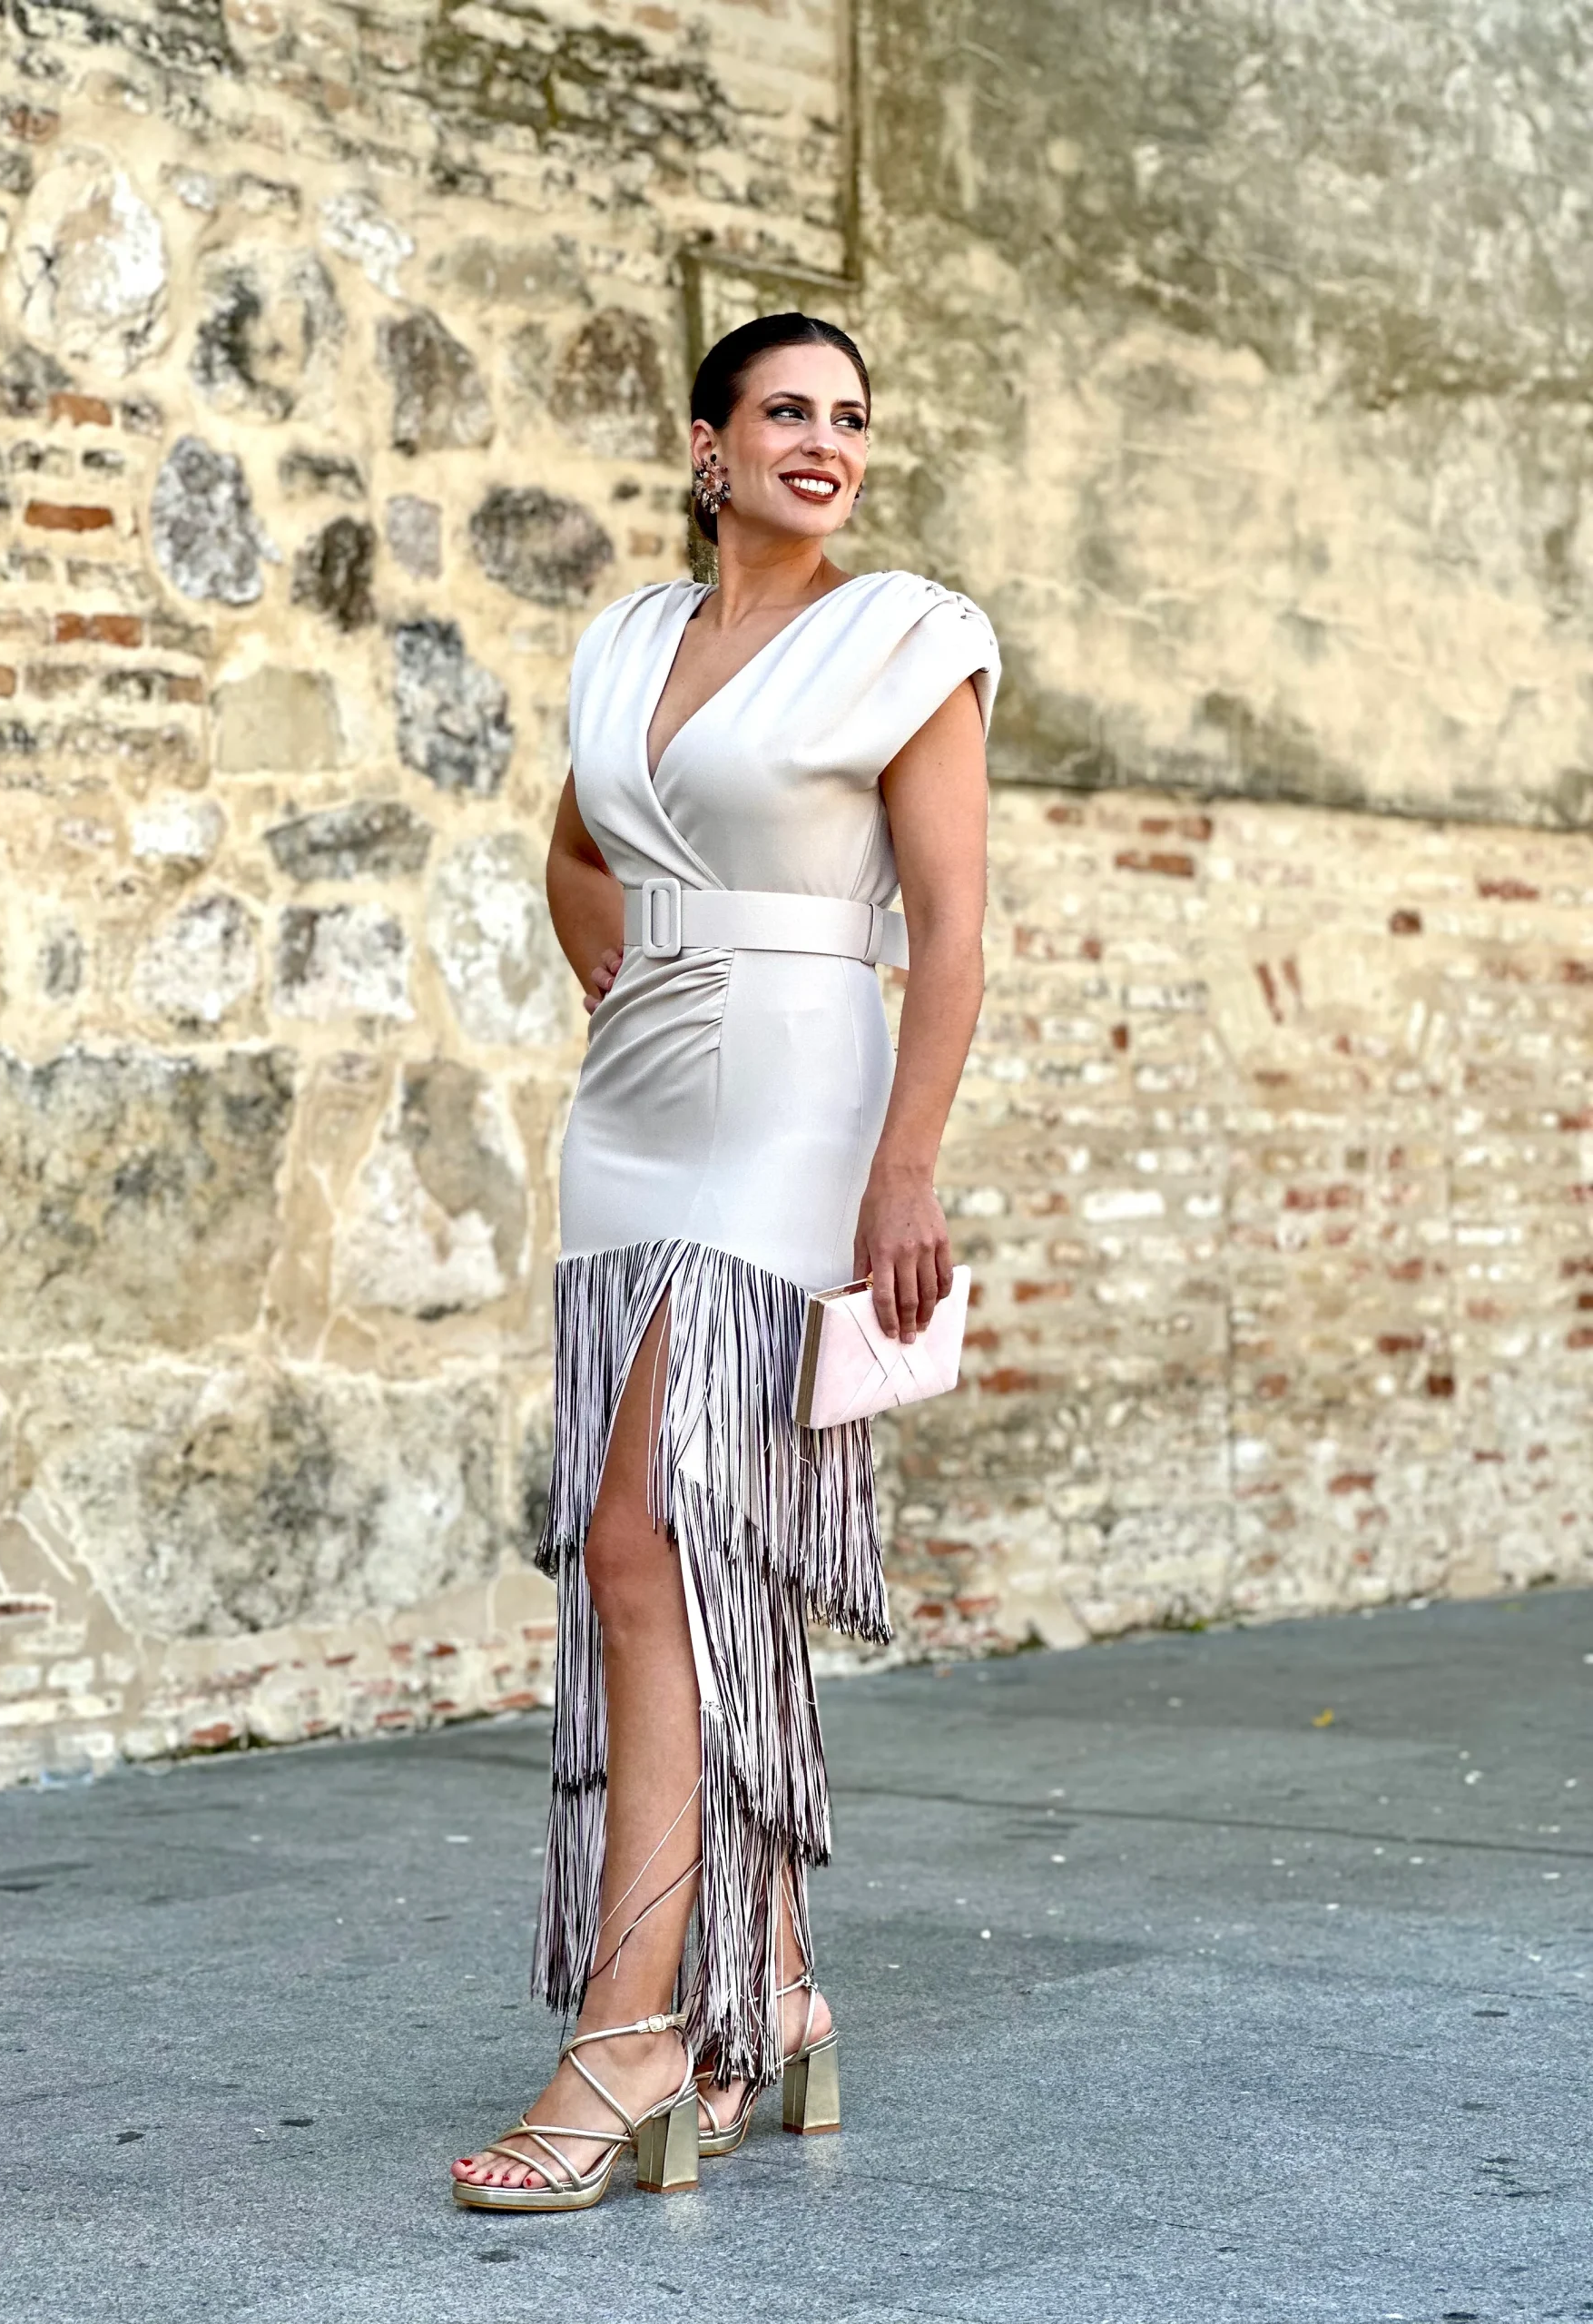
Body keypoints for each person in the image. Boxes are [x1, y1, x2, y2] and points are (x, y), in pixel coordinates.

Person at [452, 312, 999, 2211]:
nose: (823, 441)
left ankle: (627, 2031)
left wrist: (903, 1168)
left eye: (850, 416)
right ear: (710, 444)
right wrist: (614, 959)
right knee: (680, 1557)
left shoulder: (909, 636)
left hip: (796, 1107)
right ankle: (770, 1985)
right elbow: (577, 848)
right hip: (632, 1109)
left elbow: (952, 932)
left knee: (651, 1535)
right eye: (786, 411)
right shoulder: (624, 640)